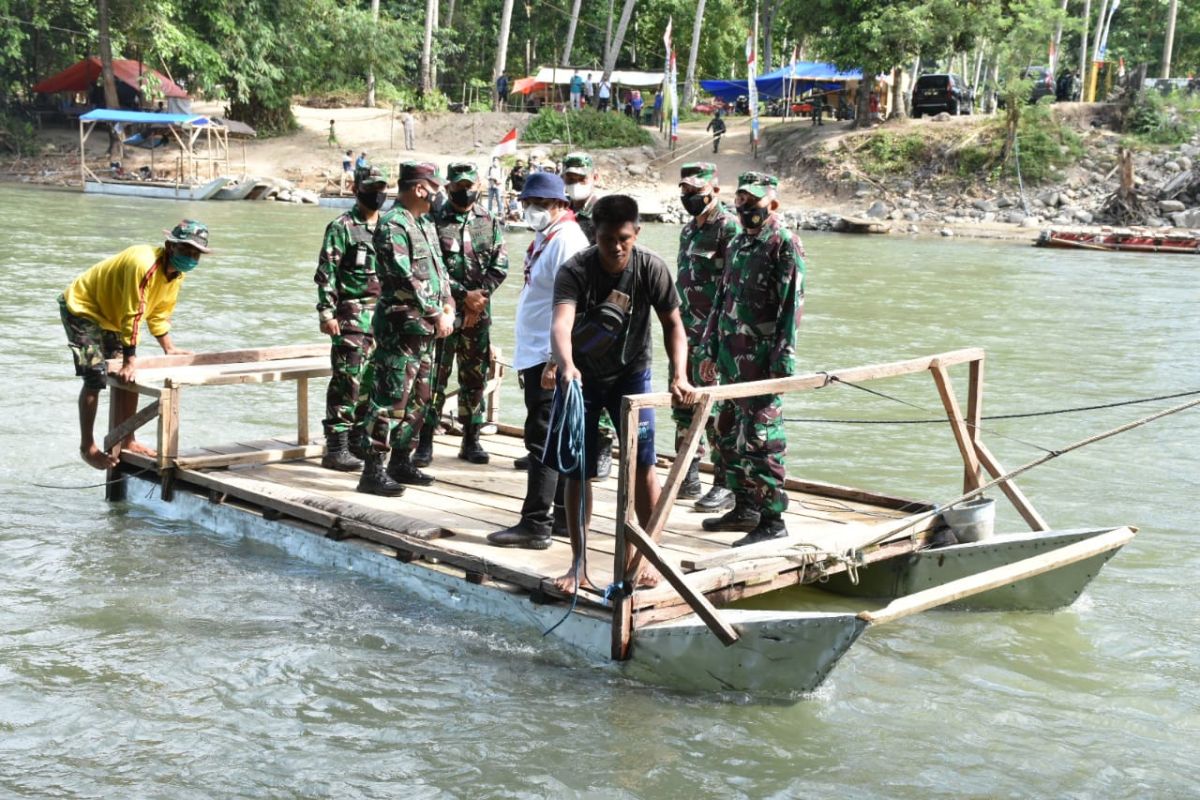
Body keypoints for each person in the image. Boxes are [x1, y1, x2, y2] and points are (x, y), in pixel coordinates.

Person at [547, 194, 692, 593]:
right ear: (594, 233)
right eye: (607, 238)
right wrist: (565, 364)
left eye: (624, 238)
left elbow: (674, 326)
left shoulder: (651, 268)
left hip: (633, 374)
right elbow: (561, 324)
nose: (615, 247)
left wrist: (679, 375)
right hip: (581, 377)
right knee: (576, 469)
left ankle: (647, 558)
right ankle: (578, 564)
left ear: (637, 233)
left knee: (644, 465)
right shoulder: (575, 270)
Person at [698, 172, 806, 547]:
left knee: (760, 437)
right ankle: (744, 507)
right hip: (730, 356)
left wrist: (783, 363)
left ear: (772, 203)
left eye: (753, 201)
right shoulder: (738, 243)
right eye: (741, 200)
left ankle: (772, 519)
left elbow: (792, 307)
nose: (745, 207)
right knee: (726, 431)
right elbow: (720, 298)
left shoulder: (783, 243)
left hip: (761, 358)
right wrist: (709, 347)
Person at [486, 173, 589, 549]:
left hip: (549, 356)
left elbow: (577, 304)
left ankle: (535, 524)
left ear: (561, 205)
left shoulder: (568, 242)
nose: (531, 211)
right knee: (553, 435)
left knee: (542, 439)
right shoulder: (547, 238)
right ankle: (560, 517)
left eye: (540, 205)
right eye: (527, 203)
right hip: (534, 351)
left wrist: (553, 359)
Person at [60, 220, 210, 470]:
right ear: (170, 246)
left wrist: (169, 347)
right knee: (95, 375)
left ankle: (128, 439)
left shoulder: (175, 274)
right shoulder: (144, 265)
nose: (191, 257)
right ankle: (88, 447)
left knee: (128, 376)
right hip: (83, 308)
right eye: (186, 250)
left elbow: (159, 311)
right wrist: (130, 359)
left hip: (113, 315)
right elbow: (134, 313)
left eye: (196, 253)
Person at [357, 162, 454, 496]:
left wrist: (449, 306)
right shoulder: (393, 225)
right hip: (402, 328)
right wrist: (435, 312)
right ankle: (372, 470)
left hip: (425, 330)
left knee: (420, 399)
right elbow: (403, 278)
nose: (440, 195)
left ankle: (402, 459)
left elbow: (439, 272)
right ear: (420, 188)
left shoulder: (423, 223)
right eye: (436, 188)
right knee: (389, 397)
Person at [417, 162, 508, 467]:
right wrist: (462, 297)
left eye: (469, 185)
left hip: (478, 316)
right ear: (447, 187)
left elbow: (500, 265)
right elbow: (433, 268)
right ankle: (425, 442)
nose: (465, 191)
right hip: (445, 313)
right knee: (434, 378)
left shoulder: (490, 221)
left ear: (479, 185)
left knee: (475, 379)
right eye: (458, 186)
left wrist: (479, 299)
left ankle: (472, 440)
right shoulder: (433, 221)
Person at [674, 163, 741, 509]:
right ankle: (687, 474)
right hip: (685, 333)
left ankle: (725, 483)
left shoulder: (728, 229)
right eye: (685, 191)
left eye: (696, 191)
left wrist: (718, 340)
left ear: (715, 189)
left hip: (713, 336)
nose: (690, 197)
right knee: (682, 402)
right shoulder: (689, 230)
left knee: (716, 411)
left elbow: (732, 288)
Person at [315, 165, 389, 472]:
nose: (378, 196)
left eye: (382, 190)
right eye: (372, 191)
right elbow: (326, 272)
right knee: (347, 381)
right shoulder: (342, 227)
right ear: (357, 192)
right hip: (350, 315)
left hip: (382, 317)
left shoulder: (389, 226)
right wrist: (326, 311)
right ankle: (336, 447)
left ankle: (359, 439)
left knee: (373, 382)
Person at [561, 151, 616, 476]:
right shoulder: (563, 212)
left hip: (600, 310)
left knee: (599, 379)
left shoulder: (606, 213)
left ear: (594, 178)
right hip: (569, 307)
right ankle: (561, 444)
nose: (574, 185)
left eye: (580, 179)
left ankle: (602, 448)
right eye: (569, 179)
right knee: (564, 377)